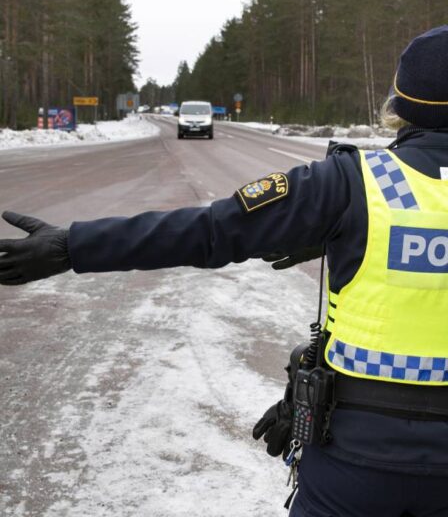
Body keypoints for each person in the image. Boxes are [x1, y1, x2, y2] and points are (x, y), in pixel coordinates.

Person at [1, 25, 448, 516]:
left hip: (354, 462)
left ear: (399, 106)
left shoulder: (350, 182)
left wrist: (72, 246)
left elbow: (209, 230)